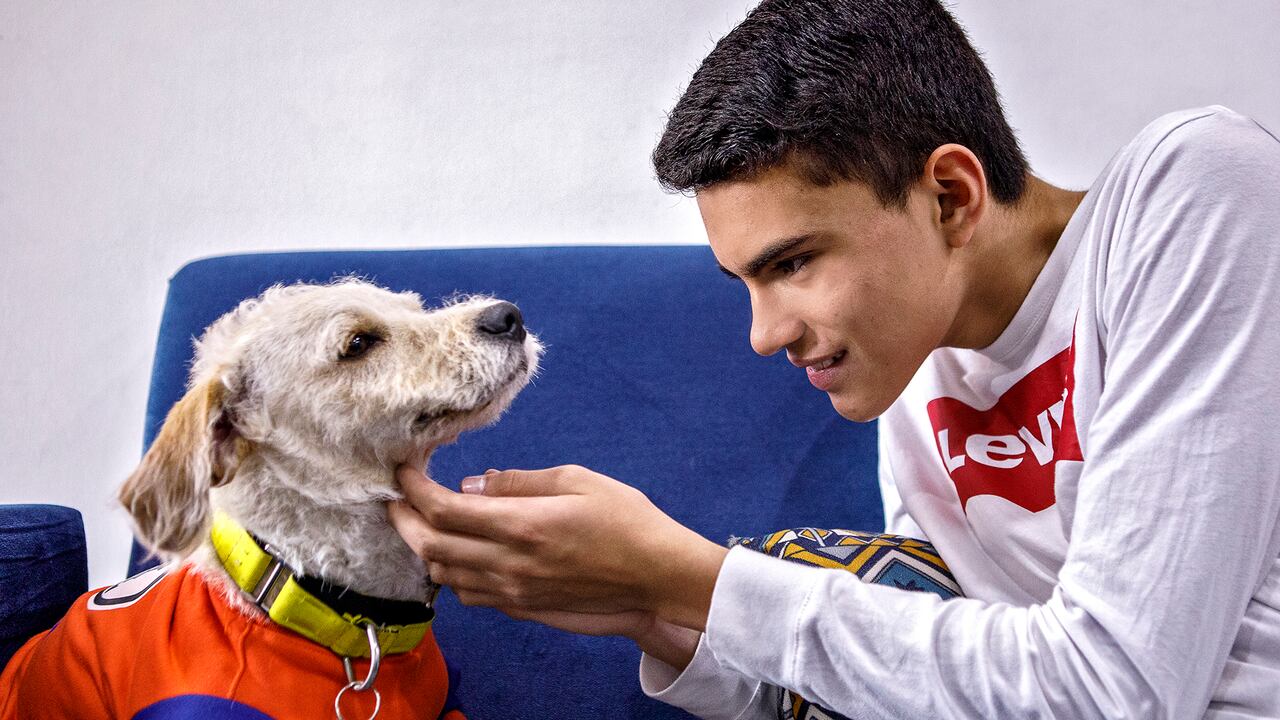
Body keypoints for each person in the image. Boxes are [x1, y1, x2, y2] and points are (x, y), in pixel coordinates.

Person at [386, 0, 1280, 716]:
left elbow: (1115, 689)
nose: (762, 333)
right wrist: (655, 610)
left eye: (793, 263)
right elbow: (927, 674)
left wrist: (692, 574)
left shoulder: (1195, 189)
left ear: (950, 197)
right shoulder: (913, 354)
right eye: (745, 280)